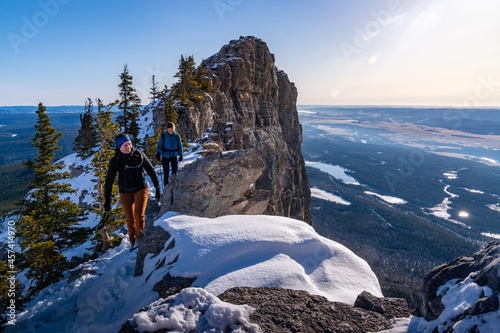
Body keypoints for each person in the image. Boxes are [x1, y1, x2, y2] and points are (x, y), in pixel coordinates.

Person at [104, 133, 161, 247]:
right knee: (130, 219)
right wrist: (107, 199)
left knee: (139, 215)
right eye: (125, 145)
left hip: (141, 188)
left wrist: (158, 188)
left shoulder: (139, 155)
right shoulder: (116, 160)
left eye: (129, 144)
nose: (128, 147)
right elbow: (109, 180)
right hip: (125, 191)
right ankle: (132, 242)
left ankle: (139, 240)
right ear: (119, 147)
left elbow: (151, 171)